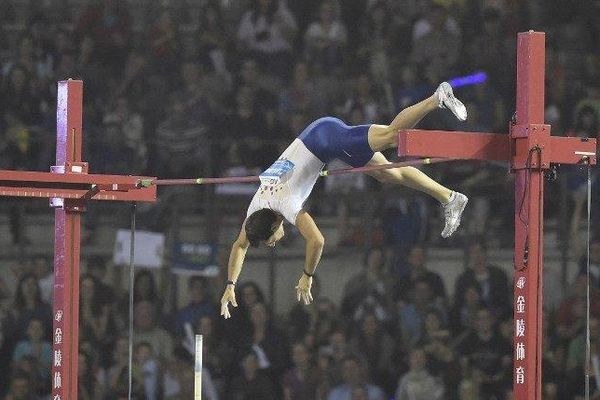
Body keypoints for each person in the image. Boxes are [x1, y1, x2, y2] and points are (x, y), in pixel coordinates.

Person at [220, 82, 469, 318]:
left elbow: (317, 240)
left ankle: (437, 98)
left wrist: (307, 275)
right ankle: (450, 197)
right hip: (319, 137)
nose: (272, 244)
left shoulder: (285, 203)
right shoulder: (257, 207)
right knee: (389, 174)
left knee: (393, 136)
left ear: (275, 225)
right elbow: (239, 245)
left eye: (269, 240)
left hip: (327, 139)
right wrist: (231, 284)